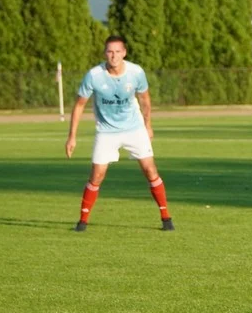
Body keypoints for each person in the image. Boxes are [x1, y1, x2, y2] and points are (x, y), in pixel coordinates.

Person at [65, 36, 174, 232]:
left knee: (150, 170)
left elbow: (145, 99)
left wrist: (148, 125)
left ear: (124, 53)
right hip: (106, 132)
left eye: (117, 51)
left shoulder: (136, 72)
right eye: (109, 51)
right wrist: (72, 136)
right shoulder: (94, 75)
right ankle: (82, 222)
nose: (113, 55)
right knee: (97, 175)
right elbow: (79, 105)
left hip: (134, 128)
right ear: (105, 53)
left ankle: (166, 218)